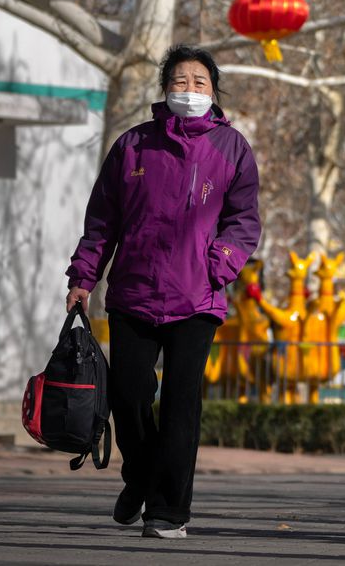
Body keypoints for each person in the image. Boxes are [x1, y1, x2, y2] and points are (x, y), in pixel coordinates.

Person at [65, 44, 261, 540]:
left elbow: (244, 221)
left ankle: (167, 511)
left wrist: (219, 265)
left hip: (198, 298)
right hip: (134, 293)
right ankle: (140, 477)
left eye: (200, 82)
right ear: (164, 89)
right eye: (180, 81)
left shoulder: (231, 147)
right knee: (129, 397)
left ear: (214, 93)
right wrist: (83, 278)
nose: (189, 90)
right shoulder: (132, 146)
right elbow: (102, 221)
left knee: (180, 405)